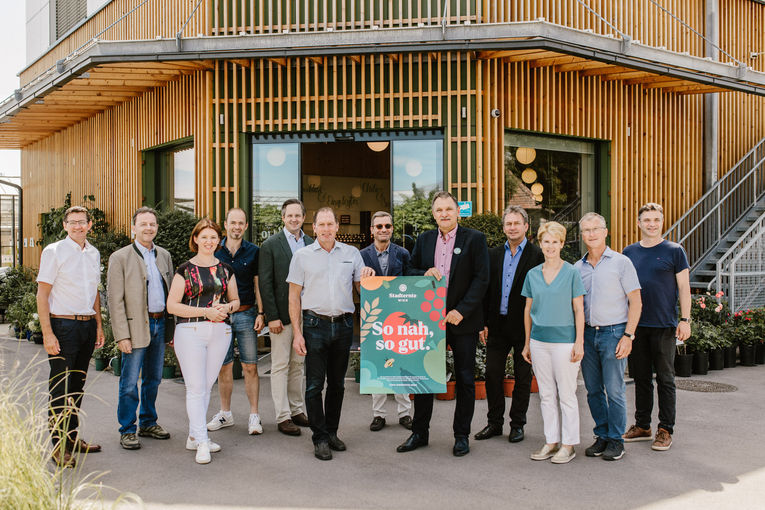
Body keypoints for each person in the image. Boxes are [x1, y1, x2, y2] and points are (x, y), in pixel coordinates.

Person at [397, 191, 490, 457]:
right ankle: (419, 433)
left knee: (464, 379)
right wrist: (423, 272)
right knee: (424, 378)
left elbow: (481, 279)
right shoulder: (425, 240)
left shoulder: (475, 239)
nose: (444, 214)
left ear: (457, 212)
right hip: (429, 321)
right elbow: (410, 271)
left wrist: (462, 310)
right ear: (433, 214)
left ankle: (461, 435)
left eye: (449, 209)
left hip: (463, 320)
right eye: (439, 210)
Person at [287, 207, 374, 460]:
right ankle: (320, 437)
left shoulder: (352, 254)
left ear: (338, 227)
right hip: (314, 325)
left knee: (337, 385)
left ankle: (332, 432)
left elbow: (362, 290)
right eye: (321, 225)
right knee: (314, 385)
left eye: (330, 224)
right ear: (314, 228)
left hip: (345, 325)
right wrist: (297, 333)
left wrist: (368, 277)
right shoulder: (302, 256)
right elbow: (293, 297)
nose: (326, 229)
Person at [167, 218, 240, 464]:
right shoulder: (184, 270)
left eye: (213, 237)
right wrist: (205, 312)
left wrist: (227, 307)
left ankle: (193, 435)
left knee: (205, 387)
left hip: (220, 332)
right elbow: (172, 306)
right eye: (204, 237)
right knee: (196, 388)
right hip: (190, 332)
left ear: (219, 241)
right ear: (195, 239)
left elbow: (236, 301)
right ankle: (202, 440)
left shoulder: (226, 270)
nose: (209, 241)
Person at [36, 205, 105, 468]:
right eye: (72, 222)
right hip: (63, 327)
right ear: (65, 225)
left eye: (82, 222)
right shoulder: (54, 252)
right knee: (60, 390)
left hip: (86, 326)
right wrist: (48, 333)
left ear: (89, 225)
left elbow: (94, 292)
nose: (78, 226)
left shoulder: (93, 253)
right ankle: (58, 447)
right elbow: (42, 295)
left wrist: (98, 325)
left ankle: (72, 438)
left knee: (77, 387)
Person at [622, 203, 691, 452]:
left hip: (664, 326)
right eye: (647, 220)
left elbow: (684, 288)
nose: (651, 224)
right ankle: (642, 426)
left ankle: (665, 429)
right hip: (636, 326)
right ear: (638, 223)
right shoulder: (629, 252)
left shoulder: (674, 251)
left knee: (665, 379)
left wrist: (685, 319)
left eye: (656, 219)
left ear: (662, 222)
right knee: (640, 378)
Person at [574, 212, 642, 461]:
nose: (591, 234)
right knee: (593, 390)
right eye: (586, 230)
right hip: (588, 334)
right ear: (582, 236)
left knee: (614, 390)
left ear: (605, 232)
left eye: (596, 229)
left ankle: (616, 440)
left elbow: (636, 301)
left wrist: (628, 335)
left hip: (614, 333)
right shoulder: (577, 268)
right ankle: (602, 435)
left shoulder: (621, 262)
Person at [475, 206, 543, 444]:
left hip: (525, 326)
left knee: (523, 378)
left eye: (517, 223)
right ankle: (494, 423)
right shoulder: (492, 254)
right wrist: (482, 322)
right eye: (508, 223)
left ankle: (517, 424)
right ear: (503, 227)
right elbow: (485, 290)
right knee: (492, 374)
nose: (512, 227)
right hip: (496, 325)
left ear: (526, 226)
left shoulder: (538, 255)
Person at [108, 207, 174, 450]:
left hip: (159, 322)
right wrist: (121, 335)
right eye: (143, 224)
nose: (149, 228)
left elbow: (171, 293)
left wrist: (171, 329)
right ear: (133, 228)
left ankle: (148, 422)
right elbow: (114, 301)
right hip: (135, 328)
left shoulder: (164, 255)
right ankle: (127, 429)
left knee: (153, 379)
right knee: (128, 383)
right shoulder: (120, 257)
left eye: (152, 224)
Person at [521, 221, 585, 464]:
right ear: (541, 243)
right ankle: (551, 441)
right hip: (539, 342)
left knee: (567, 394)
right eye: (546, 241)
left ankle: (568, 445)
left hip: (565, 342)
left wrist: (579, 342)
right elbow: (528, 310)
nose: (550, 246)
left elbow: (579, 309)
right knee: (546, 395)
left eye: (555, 242)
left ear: (561, 243)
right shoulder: (533, 274)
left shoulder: (571, 272)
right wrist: (527, 343)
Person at [207, 208, 266, 436]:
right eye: (233, 223)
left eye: (241, 223)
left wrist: (261, 313)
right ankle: (225, 413)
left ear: (246, 226)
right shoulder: (215, 249)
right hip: (220, 317)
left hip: (246, 314)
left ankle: (254, 416)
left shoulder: (254, 252)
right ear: (226, 224)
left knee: (250, 366)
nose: (237, 227)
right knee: (224, 367)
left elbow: (257, 283)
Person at [258, 199, 312, 436]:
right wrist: (271, 316)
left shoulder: (312, 243)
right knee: (280, 365)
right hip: (280, 314)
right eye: (289, 216)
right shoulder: (270, 244)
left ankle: (297, 409)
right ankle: (282, 416)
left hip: (306, 314)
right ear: (283, 218)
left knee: (298, 364)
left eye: (298, 215)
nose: (294, 219)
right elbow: (266, 283)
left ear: (303, 217)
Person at [360, 211, 413, 432]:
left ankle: (405, 413)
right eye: (379, 226)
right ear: (371, 230)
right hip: (372, 318)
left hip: (399, 318)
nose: (383, 229)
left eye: (387, 226)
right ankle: (379, 415)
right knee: (376, 366)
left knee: (401, 364)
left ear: (392, 229)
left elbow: (412, 285)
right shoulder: (361, 256)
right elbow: (355, 287)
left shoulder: (403, 254)